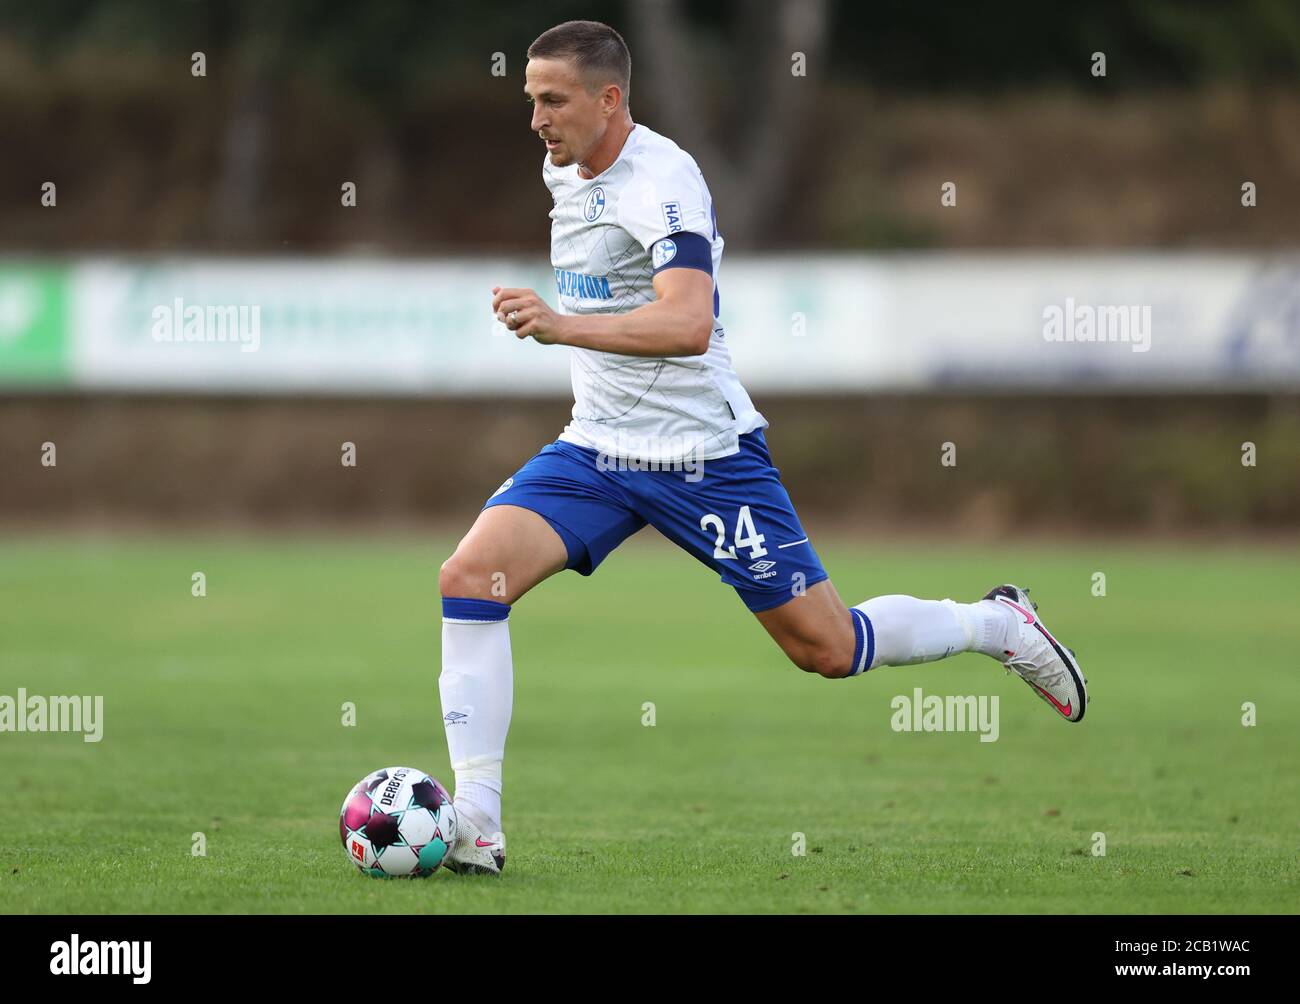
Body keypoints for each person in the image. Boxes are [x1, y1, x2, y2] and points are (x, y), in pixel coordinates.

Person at [438, 20, 1087, 876]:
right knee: (469, 580)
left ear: (610, 99)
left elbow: (688, 320)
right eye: (530, 100)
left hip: (705, 456)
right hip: (598, 450)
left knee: (829, 649)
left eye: (553, 100)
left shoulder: (664, 180)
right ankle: (477, 823)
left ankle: (994, 623)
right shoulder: (562, 164)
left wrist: (563, 325)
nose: (536, 119)